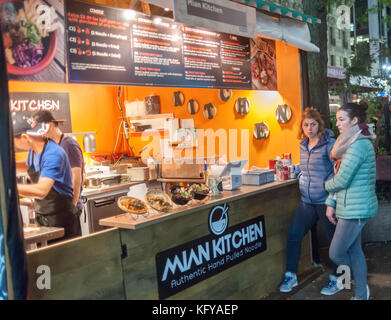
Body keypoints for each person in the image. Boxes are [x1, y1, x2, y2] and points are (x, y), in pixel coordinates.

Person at [279, 107, 341, 295]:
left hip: (325, 201)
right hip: (306, 201)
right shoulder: (302, 145)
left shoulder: (329, 144)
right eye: (306, 124)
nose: (309, 128)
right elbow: (307, 168)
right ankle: (291, 275)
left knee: (336, 242)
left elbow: (338, 170)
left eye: (313, 124)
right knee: (294, 235)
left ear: (319, 125)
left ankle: (339, 278)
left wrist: (332, 197)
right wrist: (299, 173)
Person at [325, 101, 377, 300]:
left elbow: (341, 179)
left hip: (355, 208)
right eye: (337, 119)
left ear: (354, 121)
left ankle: (357, 282)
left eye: (341, 119)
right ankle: (361, 294)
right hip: (348, 206)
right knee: (355, 252)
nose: (337, 123)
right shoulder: (347, 142)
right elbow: (339, 173)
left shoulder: (358, 145)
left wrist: (325, 187)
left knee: (336, 253)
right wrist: (331, 203)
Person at [12, 112, 81, 240]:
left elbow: (41, 191)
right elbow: (30, 165)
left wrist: (8, 187)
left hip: (61, 221)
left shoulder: (54, 153)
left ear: (25, 137)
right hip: (43, 219)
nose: (14, 146)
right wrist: (7, 165)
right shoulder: (34, 151)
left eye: (14, 141)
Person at [33, 110, 84, 216]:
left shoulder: (68, 145)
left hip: (68, 208)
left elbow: (76, 179)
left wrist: (72, 207)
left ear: (50, 125)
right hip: (56, 209)